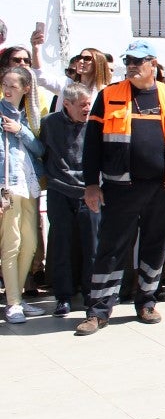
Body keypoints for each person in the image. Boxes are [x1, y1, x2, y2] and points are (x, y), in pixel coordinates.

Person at [76, 40, 165, 335]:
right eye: (129, 60)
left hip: (164, 188)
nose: (132, 65)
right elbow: (92, 144)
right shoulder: (109, 96)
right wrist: (91, 184)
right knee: (111, 247)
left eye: (138, 60)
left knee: (156, 246)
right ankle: (98, 310)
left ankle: (146, 301)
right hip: (122, 188)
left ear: (153, 64)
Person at [41, 81, 99, 317]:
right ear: (67, 104)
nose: (87, 109)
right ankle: (63, 297)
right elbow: (47, 155)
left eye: (89, 104)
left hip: (89, 191)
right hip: (60, 191)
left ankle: (91, 294)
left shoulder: (95, 124)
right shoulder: (49, 124)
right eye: (82, 105)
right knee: (62, 244)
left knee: (92, 245)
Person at [1, 67, 47, 324]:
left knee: (29, 244)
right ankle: (13, 303)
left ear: (26, 88)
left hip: (29, 185)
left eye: (13, 85)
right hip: (7, 185)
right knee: (12, 243)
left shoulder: (27, 116)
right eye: (5, 84)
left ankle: (17, 297)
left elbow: (40, 149)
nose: (8, 89)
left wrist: (20, 130)